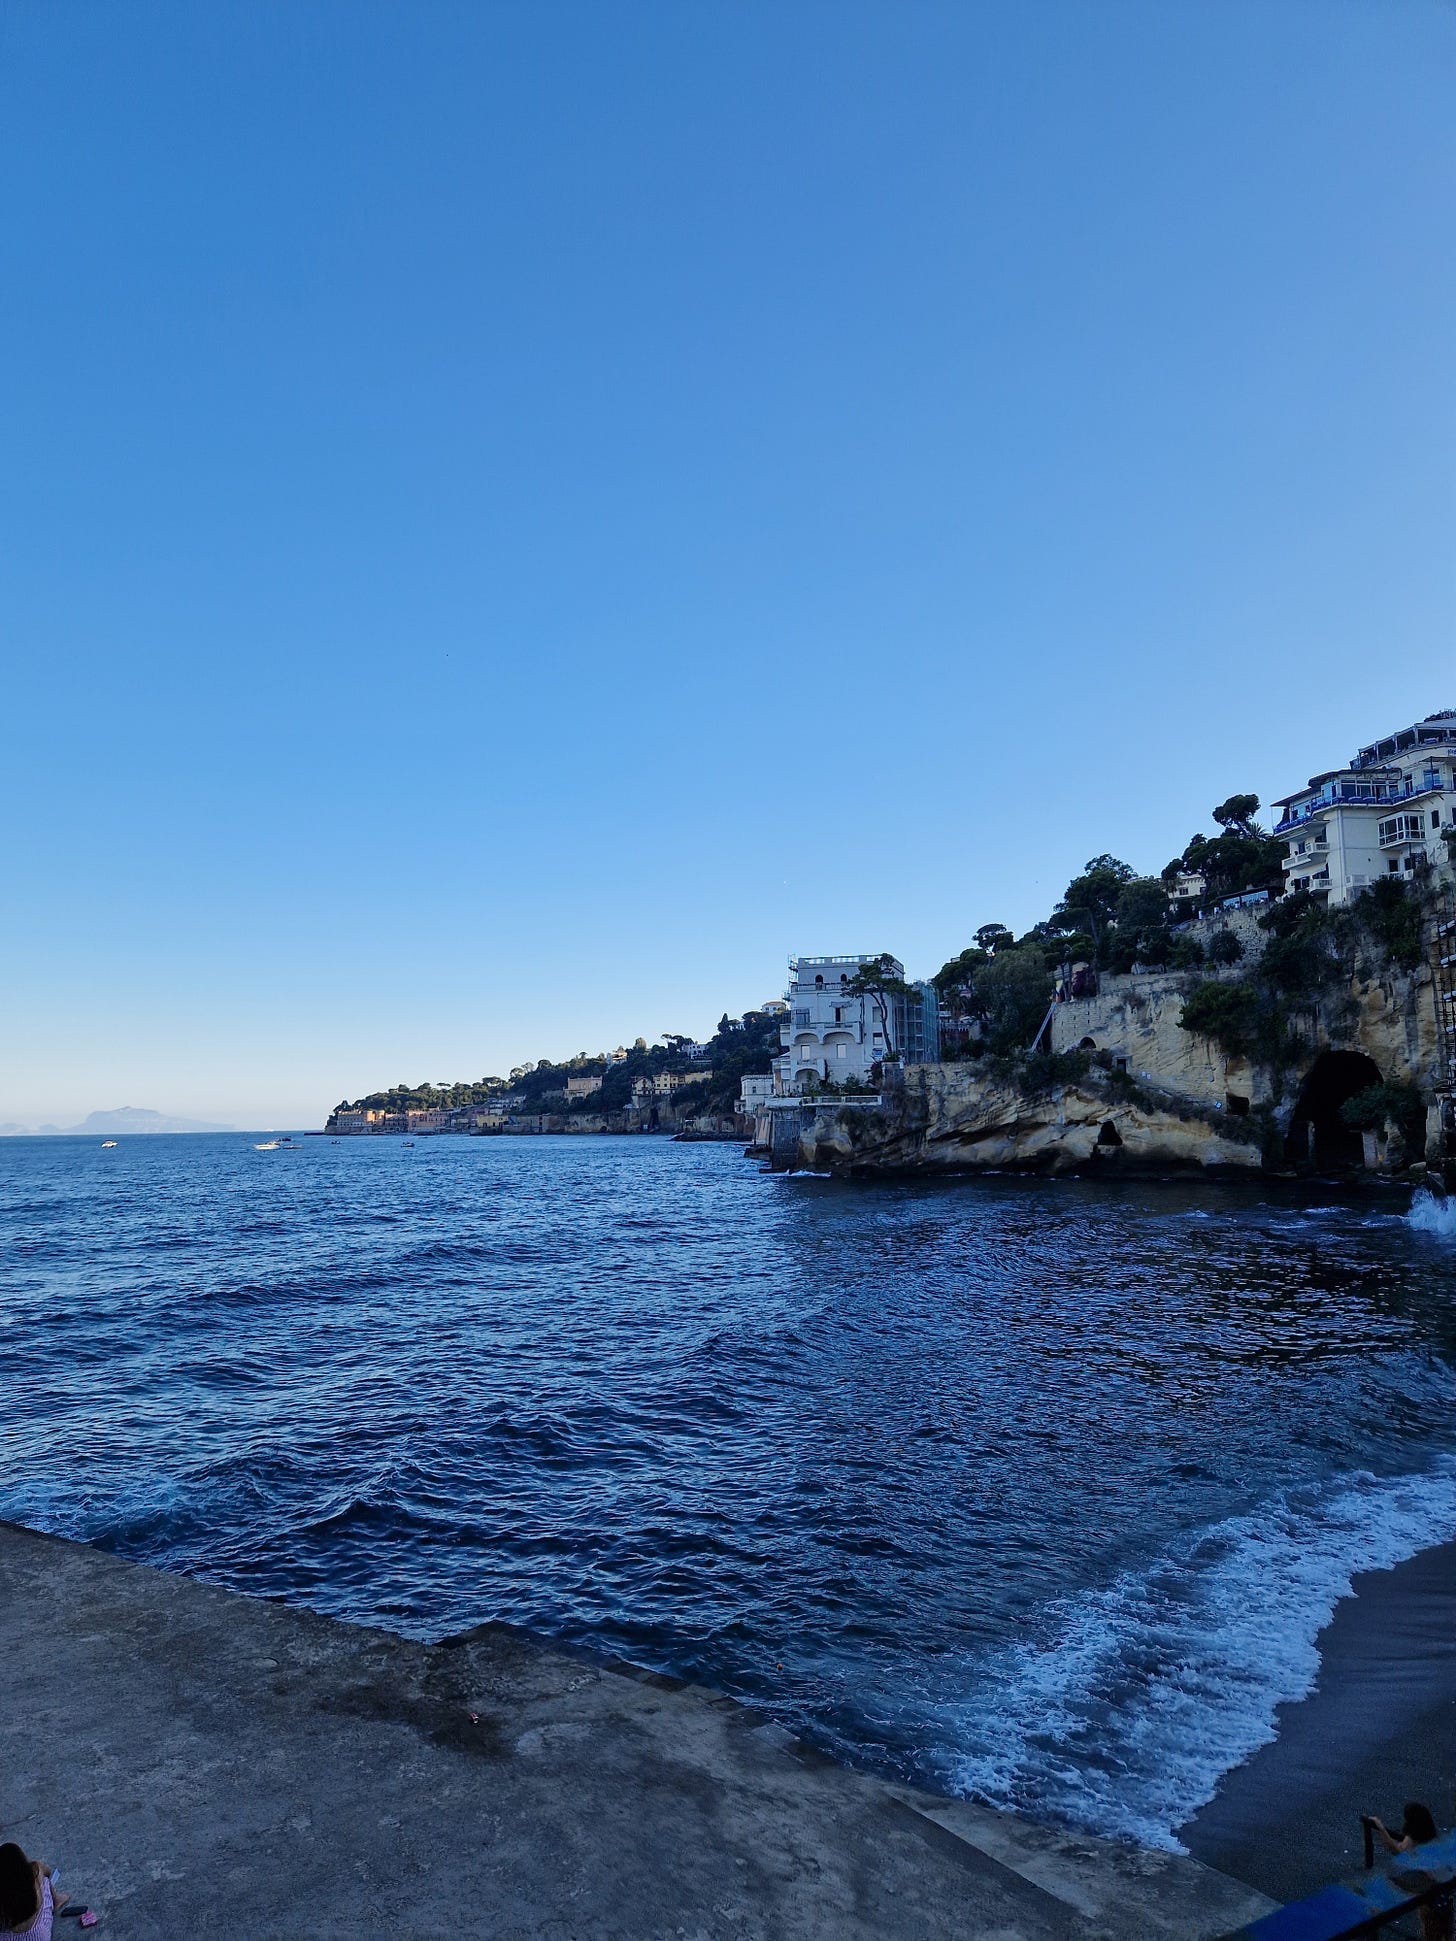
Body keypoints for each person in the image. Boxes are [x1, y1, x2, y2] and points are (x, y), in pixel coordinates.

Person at [1364, 1805, 1453, 1941]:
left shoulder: (1415, 1840)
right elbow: (1401, 1848)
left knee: (1432, 1933)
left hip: (1430, 1896)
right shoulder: (1427, 1836)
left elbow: (1397, 1851)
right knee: (1446, 1931)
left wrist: (1381, 1828)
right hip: (1442, 1893)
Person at [0, 1844, 68, 1939]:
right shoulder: (34, 1870)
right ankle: (56, 1901)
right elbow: (48, 1872)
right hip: (37, 1936)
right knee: (44, 1882)